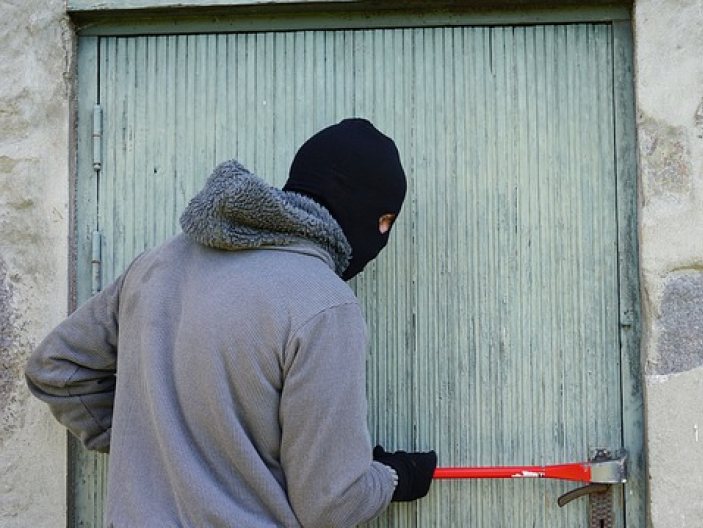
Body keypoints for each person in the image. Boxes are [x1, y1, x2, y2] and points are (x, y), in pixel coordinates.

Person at [25, 118, 437, 527]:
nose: (382, 234)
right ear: (365, 211)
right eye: (385, 221)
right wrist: (394, 476)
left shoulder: (156, 266)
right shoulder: (325, 305)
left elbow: (57, 370)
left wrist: (160, 445)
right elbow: (331, 504)